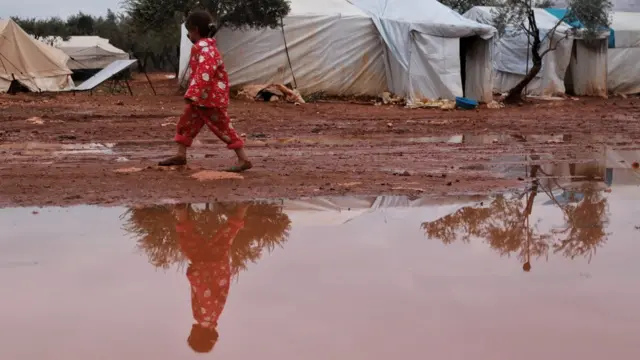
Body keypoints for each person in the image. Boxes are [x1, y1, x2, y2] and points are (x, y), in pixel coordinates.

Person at [159, 10, 252, 172]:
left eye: (189, 31)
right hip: (202, 99)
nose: (188, 35)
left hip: (210, 100)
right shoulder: (205, 48)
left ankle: (243, 159)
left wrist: (192, 93)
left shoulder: (205, 50)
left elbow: (204, 73)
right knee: (186, 123)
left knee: (223, 128)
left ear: (195, 30)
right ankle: (181, 155)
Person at [175, 203, 248, 353]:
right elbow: (203, 294)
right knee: (189, 242)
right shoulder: (204, 318)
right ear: (198, 335)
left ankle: (242, 208)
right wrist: (193, 276)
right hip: (206, 269)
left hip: (219, 269)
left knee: (225, 238)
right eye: (191, 335)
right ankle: (181, 211)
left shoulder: (214, 317)